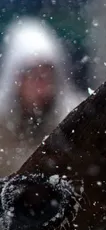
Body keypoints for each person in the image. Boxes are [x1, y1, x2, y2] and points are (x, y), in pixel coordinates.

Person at [0, 17, 84, 175]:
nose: (41, 89)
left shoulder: (75, 123)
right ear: (16, 80)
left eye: (47, 78)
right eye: (34, 78)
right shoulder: (3, 129)